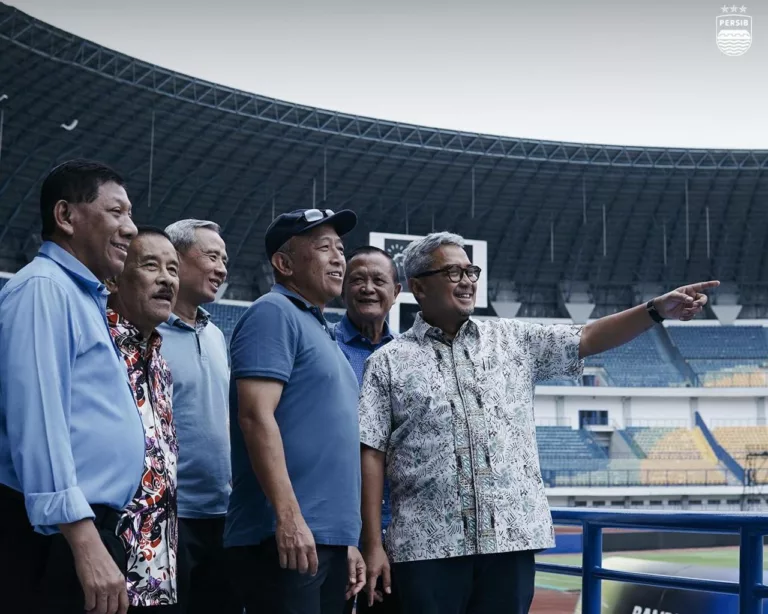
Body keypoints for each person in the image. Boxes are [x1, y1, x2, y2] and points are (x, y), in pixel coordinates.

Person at [358, 231, 719, 614]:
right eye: (452, 272)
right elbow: (371, 452)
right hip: (425, 549)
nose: (466, 281)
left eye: (471, 271)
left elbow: (590, 336)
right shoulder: (387, 362)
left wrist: (655, 310)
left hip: (509, 545)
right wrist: (372, 542)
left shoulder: (514, 340)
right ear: (418, 287)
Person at [0, 159, 143, 614]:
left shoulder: (80, 295)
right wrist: (81, 537)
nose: (131, 228)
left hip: (77, 527)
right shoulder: (44, 289)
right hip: (52, 533)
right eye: (116, 212)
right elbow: (40, 419)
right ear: (66, 216)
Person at [225, 208, 366, 614]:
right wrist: (288, 517)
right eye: (324, 248)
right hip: (285, 537)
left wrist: (346, 540)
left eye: (341, 249)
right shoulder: (273, 313)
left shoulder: (319, 327)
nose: (339, 257)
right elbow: (255, 416)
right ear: (284, 263)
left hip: (324, 539)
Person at [158, 219, 238, 614]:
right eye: (211, 256)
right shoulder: (146, 334)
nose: (222, 268)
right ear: (175, 259)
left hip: (223, 514)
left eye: (224, 258)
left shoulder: (216, 335)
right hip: (170, 515)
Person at [106, 226, 181, 612]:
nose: (167, 278)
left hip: (155, 573)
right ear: (114, 276)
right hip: (102, 566)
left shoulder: (162, 366)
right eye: (151, 266)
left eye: (173, 269)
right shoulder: (95, 346)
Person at [336, 246, 401, 614]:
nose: (367, 288)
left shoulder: (410, 355)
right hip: (338, 526)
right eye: (356, 279)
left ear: (397, 291)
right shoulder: (322, 346)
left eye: (378, 280)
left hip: (400, 529)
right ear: (343, 288)